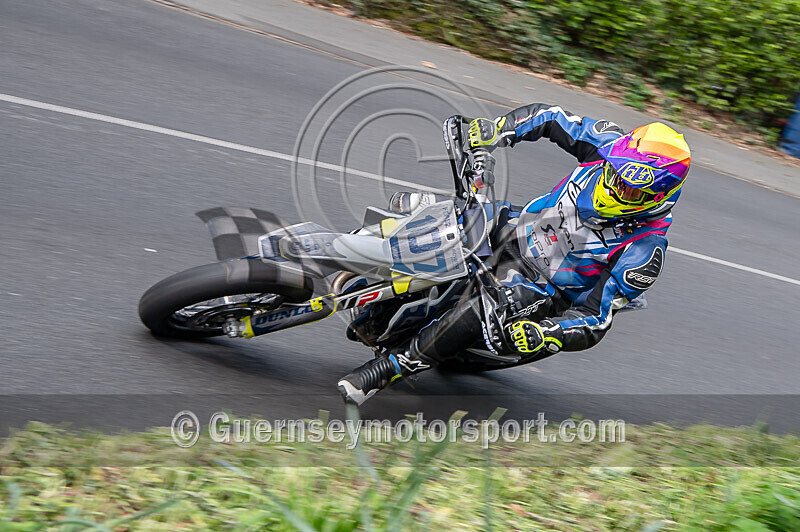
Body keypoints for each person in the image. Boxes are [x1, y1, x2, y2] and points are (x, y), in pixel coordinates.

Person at [337, 103, 691, 405]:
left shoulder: (646, 251)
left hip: (541, 285)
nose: (613, 185)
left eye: (628, 188)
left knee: (490, 301)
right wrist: (500, 130)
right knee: (421, 212)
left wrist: (551, 332)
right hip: (512, 224)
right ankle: (338, 259)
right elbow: (551, 117)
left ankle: (395, 366)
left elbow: (596, 319)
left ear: (657, 196)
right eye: (613, 173)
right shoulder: (607, 143)